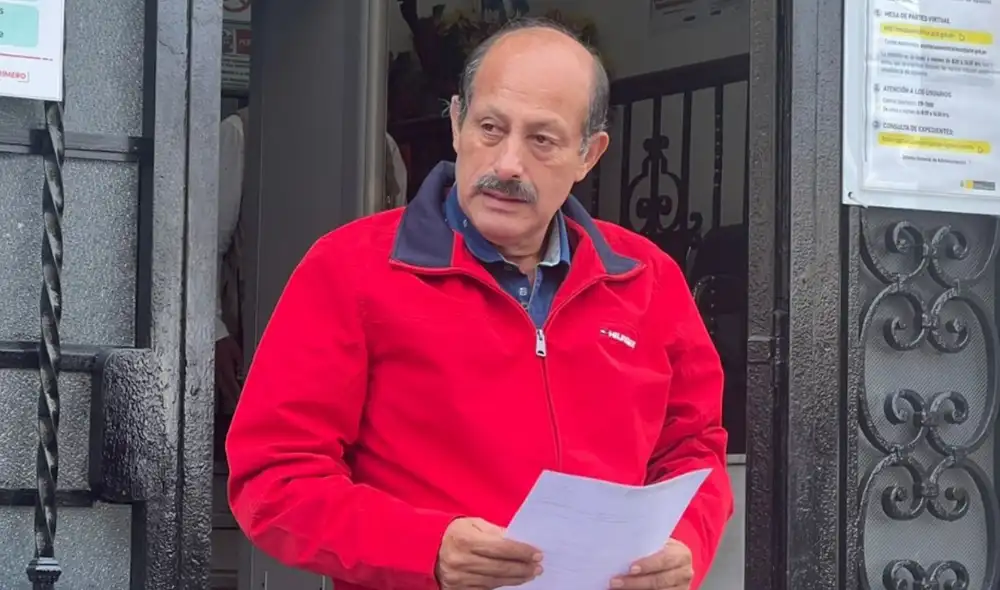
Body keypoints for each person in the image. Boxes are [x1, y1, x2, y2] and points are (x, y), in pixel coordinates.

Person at [226, 17, 732, 590]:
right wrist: (426, 549)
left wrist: (684, 546)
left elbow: (695, 450)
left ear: (588, 155)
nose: (508, 164)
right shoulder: (349, 269)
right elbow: (273, 478)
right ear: (456, 123)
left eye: (542, 140)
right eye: (490, 127)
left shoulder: (646, 279)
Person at [214, 109, 408, 446]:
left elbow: (394, 252)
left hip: (356, 350)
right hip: (253, 340)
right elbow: (206, 243)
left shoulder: (381, 146)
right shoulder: (240, 133)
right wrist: (215, 332)